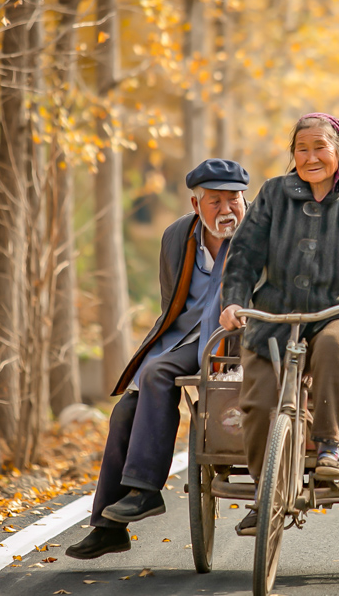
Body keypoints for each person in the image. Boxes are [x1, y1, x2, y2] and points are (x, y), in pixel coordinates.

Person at [219, 113, 339, 537]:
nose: (310, 157)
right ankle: (266, 494)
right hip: (274, 315)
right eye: (302, 149)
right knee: (258, 403)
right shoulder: (273, 194)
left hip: (336, 311)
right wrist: (234, 302)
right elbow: (243, 257)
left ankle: (330, 450)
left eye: (320, 147)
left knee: (334, 348)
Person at [65, 158, 249, 560]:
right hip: (187, 337)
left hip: (240, 341)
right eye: (215, 201)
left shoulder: (259, 233)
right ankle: (109, 528)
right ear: (195, 204)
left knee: (155, 373)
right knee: (126, 409)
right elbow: (173, 302)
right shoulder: (177, 236)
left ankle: (145, 487)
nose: (226, 209)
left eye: (233, 199)